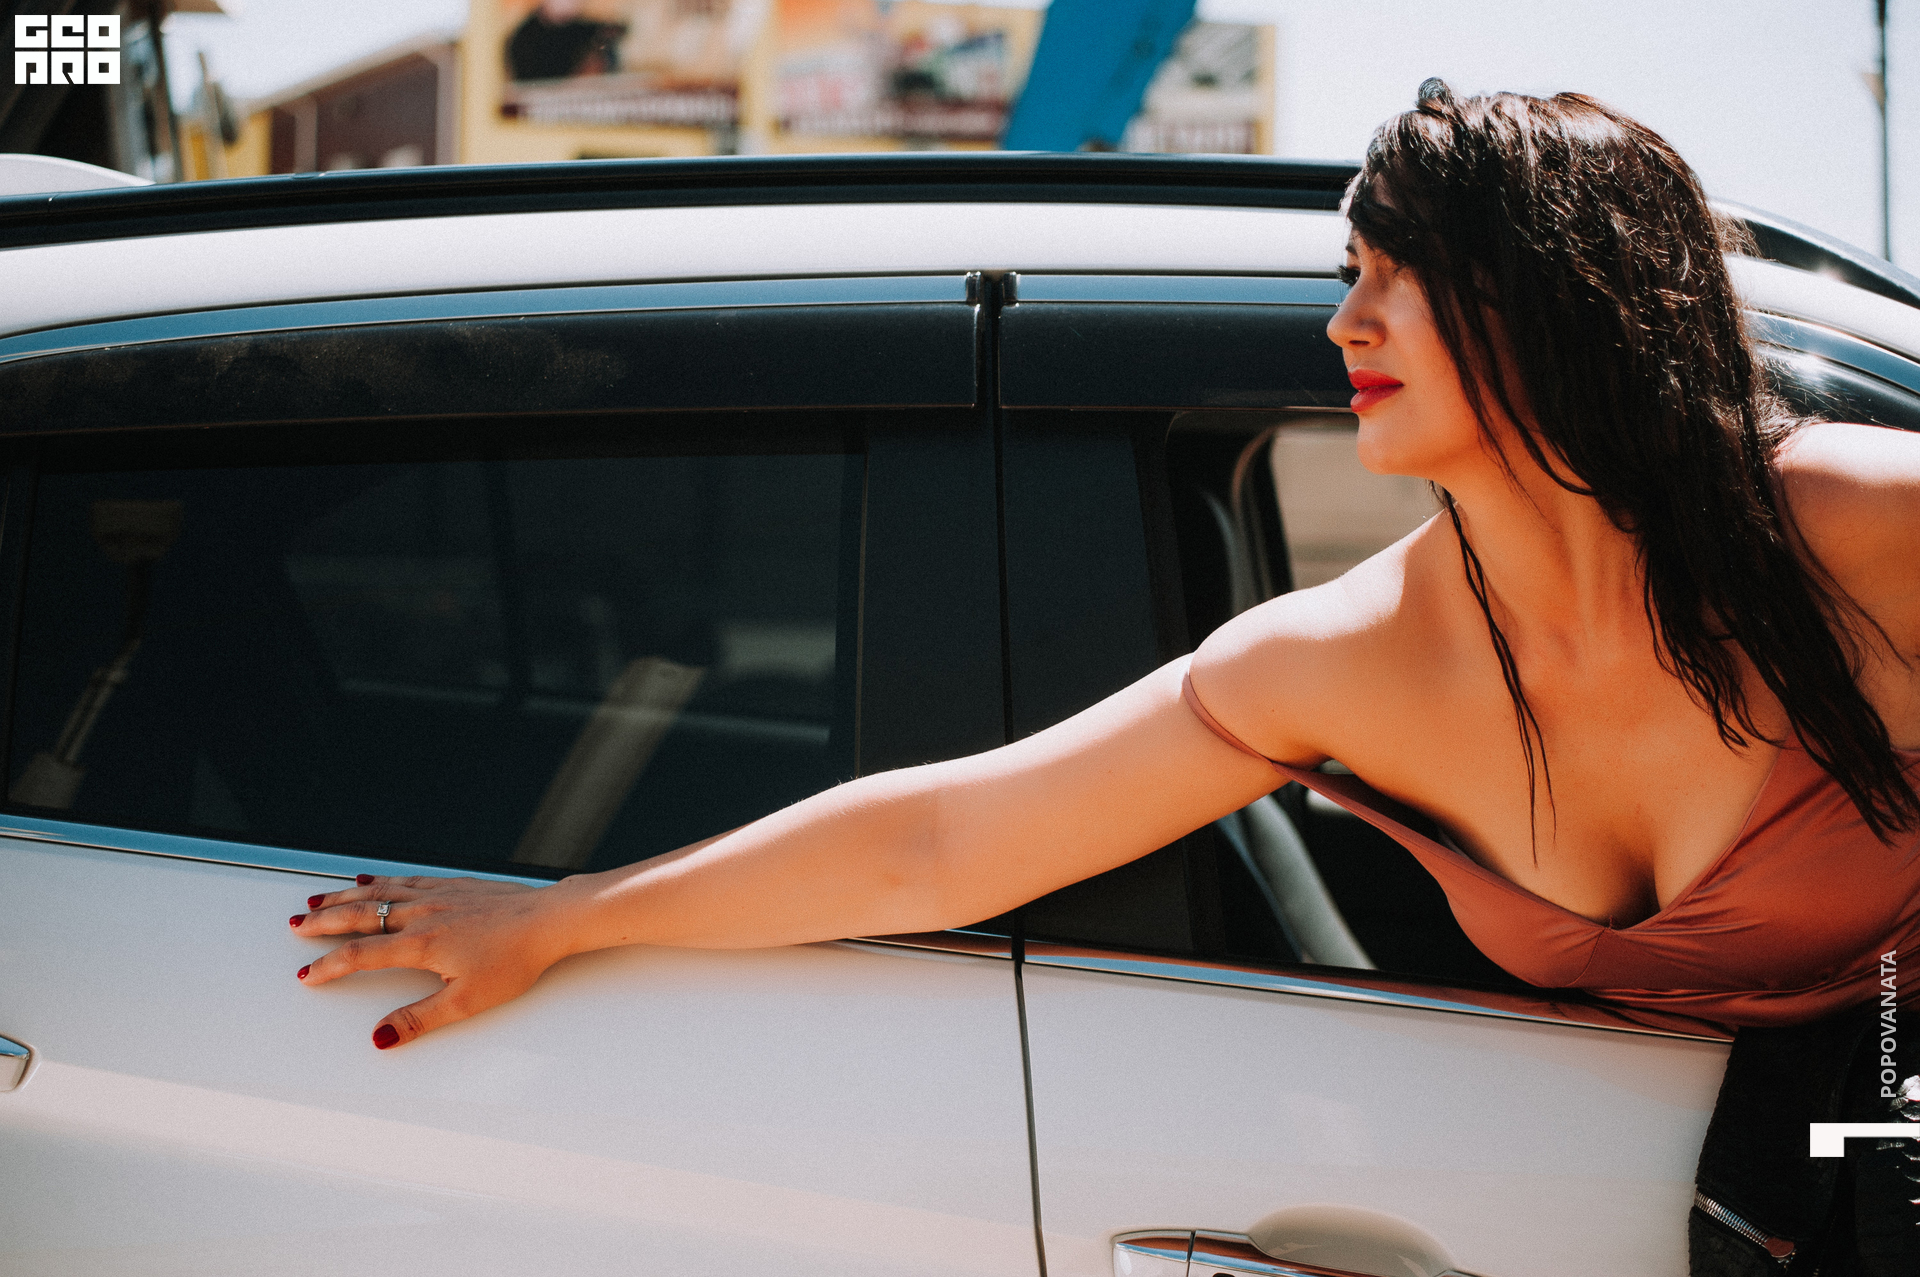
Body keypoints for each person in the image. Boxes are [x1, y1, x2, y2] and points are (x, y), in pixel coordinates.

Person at [288, 82, 1920, 1272]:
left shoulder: (1860, 528)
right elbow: (940, 840)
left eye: (1392, 272)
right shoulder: (1345, 659)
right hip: (1672, 1201)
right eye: (1344, 275)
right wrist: (567, 916)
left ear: (1559, 296)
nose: (1342, 325)